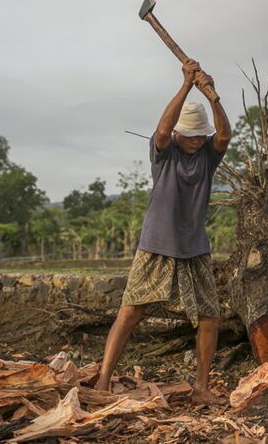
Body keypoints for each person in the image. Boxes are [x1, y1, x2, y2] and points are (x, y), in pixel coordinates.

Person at [95, 57, 231, 406]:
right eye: (190, 136)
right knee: (131, 311)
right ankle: (103, 382)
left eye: (200, 136)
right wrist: (186, 84)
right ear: (178, 134)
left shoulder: (207, 157)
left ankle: (201, 388)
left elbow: (224, 135)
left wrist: (213, 96)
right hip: (157, 244)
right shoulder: (165, 152)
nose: (196, 141)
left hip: (194, 247)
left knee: (209, 318)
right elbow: (160, 132)